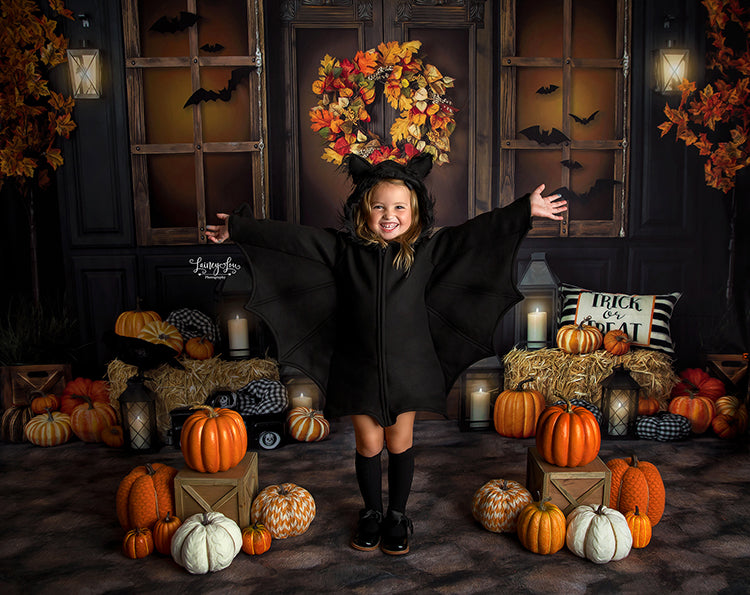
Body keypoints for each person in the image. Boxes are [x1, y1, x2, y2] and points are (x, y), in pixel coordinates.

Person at [206, 153, 566, 555]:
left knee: (399, 442)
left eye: (399, 207)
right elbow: (291, 239)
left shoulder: (428, 251)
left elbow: (475, 234)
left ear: (415, 212)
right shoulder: (342, 249)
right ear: (364, 209)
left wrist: (523, 211)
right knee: (367, 444)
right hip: (356, 367)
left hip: (408, 368)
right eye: (379, 206)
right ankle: (371, 513)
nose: (389, 215)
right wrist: (238, 228)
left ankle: (397, 514)